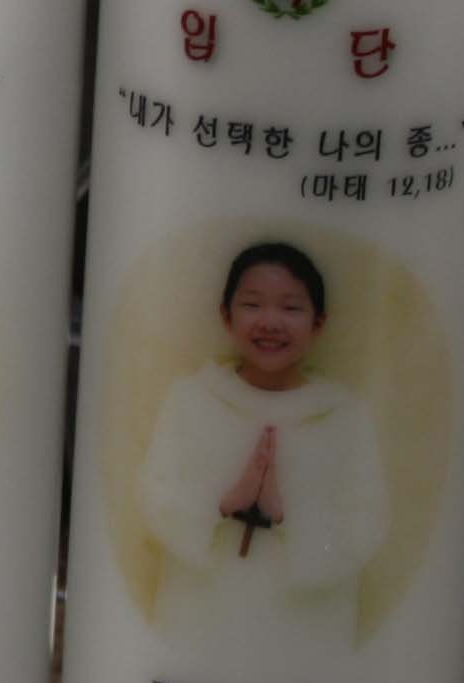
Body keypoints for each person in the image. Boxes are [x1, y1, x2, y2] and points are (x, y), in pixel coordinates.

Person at [134, 240, 388, 651]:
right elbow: (154, 495)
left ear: (318, 323)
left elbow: (367, 523)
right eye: (252, 305)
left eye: (291, 308)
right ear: (226, 315)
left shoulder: (344, 415)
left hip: (305, 627)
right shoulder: (191, 399)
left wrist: (284, 516)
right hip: (201, 617)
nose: (270, 322)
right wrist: (225, 504)